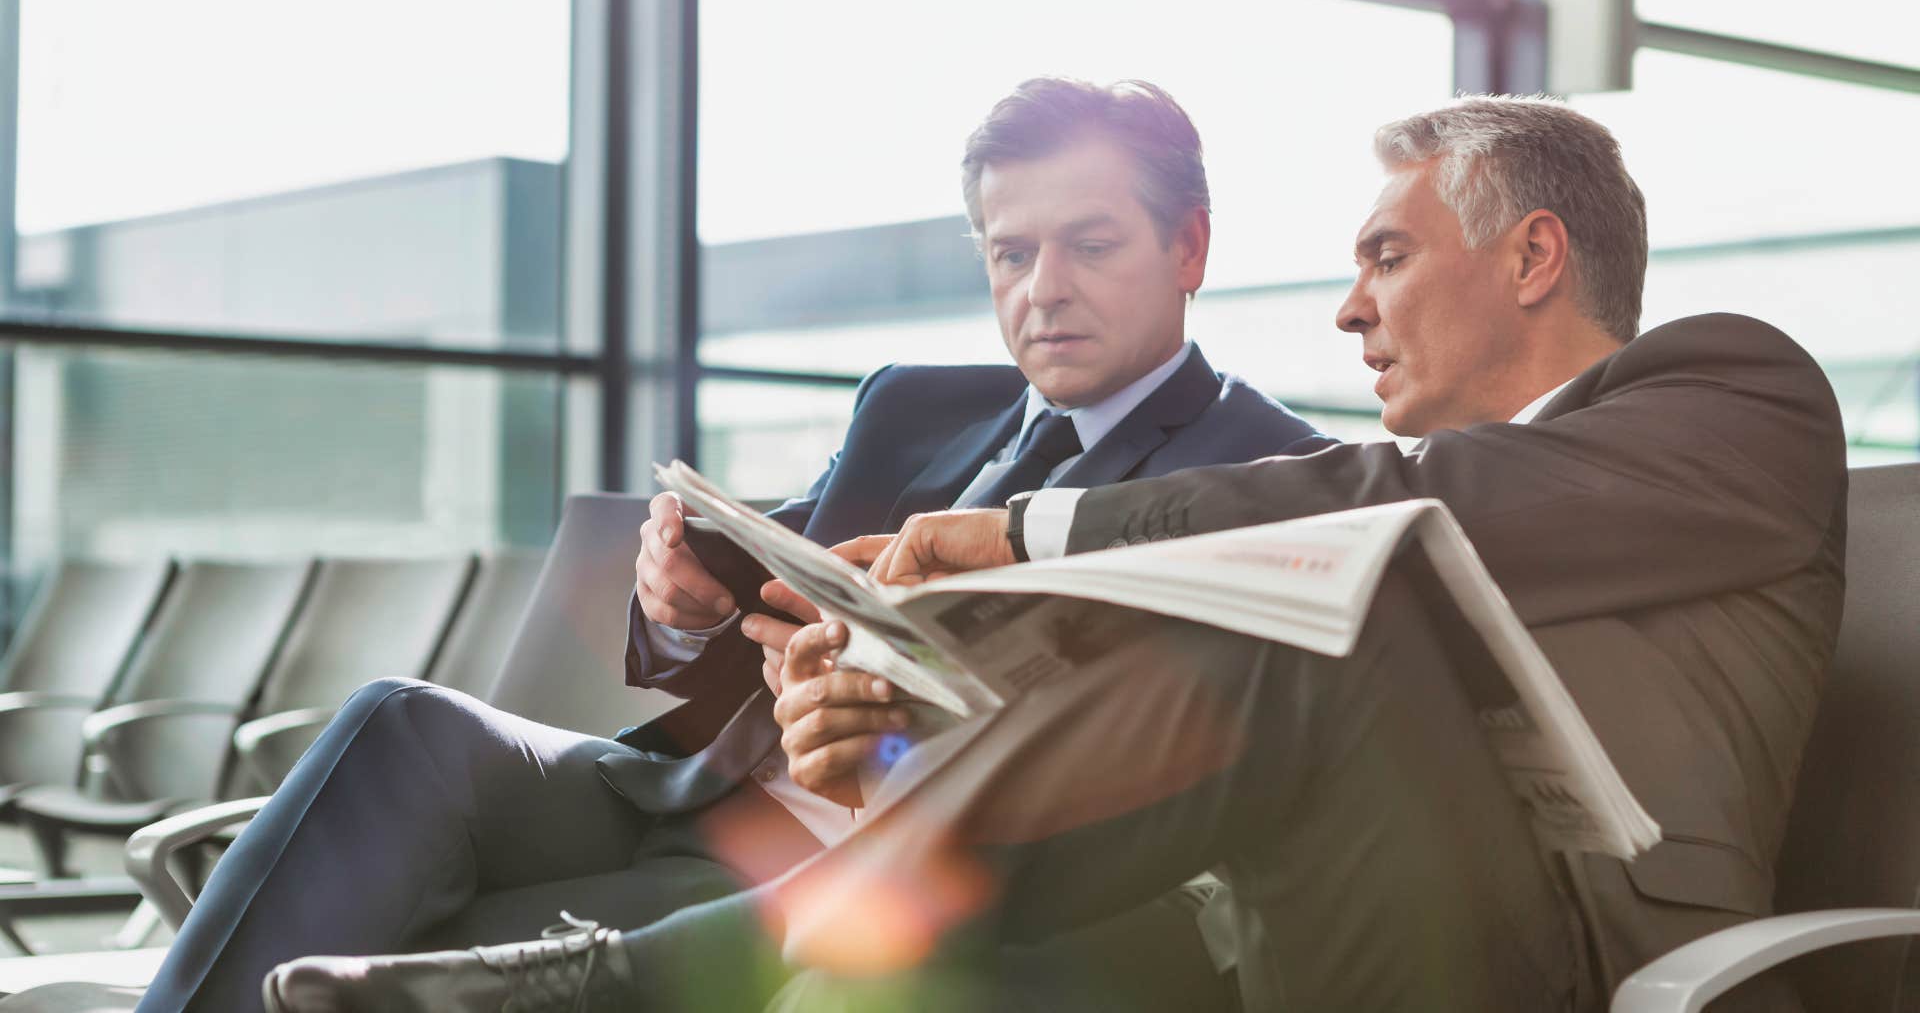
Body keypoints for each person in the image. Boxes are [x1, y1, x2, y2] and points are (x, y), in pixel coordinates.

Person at [260, 95, 1846, 1013]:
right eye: (1009, 252)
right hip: (1339, 891)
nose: (1349, 308)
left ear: (1535, 254)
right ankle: (657, 975)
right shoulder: (1343, 484)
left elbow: (1416, 501)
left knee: (1343, 590)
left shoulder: (1736, 394)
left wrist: (1020, 529)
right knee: (1319, 605)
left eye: (1386, 256)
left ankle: (643, 982)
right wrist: (866, 717)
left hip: (1601, 953)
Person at [127, 77, 1328, 1013]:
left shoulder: (1273, 474)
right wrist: (682, 605)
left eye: (1090, 246)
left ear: (1189, 249)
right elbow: (762, 588)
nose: (1042, 289)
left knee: (373, 924)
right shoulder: (913, 404)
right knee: (405, 723)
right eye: (1011, 254)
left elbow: (1171, 774)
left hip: (869, 868)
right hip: (701, 787)